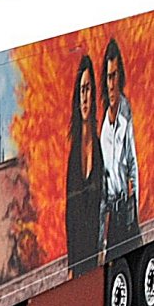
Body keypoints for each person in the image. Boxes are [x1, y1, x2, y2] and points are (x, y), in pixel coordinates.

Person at [99, 38, 141, 253]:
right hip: (111, 217)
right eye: (108, 77)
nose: (111, 83)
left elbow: (133, 164)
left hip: (126, 212)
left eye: (114, 76)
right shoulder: (103, 122)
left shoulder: (126, 115)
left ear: (120, 77)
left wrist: (136, 213)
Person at [66, 55, 105, 277]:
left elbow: (104, 202)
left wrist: (103, 247)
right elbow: (70, 213)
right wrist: (71, 267)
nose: (84, 97)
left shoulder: (100, 148)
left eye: (88, 89)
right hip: (79, 257)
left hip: (95, 252)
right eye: (81, 90)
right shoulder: (73, 152)